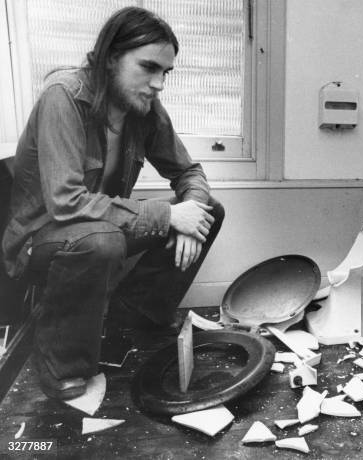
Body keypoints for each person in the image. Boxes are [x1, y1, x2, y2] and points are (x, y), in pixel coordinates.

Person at [1, 7, 224, 400]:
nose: (158, 84)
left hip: (97, 230)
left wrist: (191, 213)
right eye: (148, 68)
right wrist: (170, 214)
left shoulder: (144, 108)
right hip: (40, 241)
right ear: (110, 58)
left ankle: (132, 320)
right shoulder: (64, 97)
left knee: (209, 211)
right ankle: (59, 362)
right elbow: (66, 203)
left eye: (165, 73)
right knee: (103, 240)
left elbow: (189, 173)